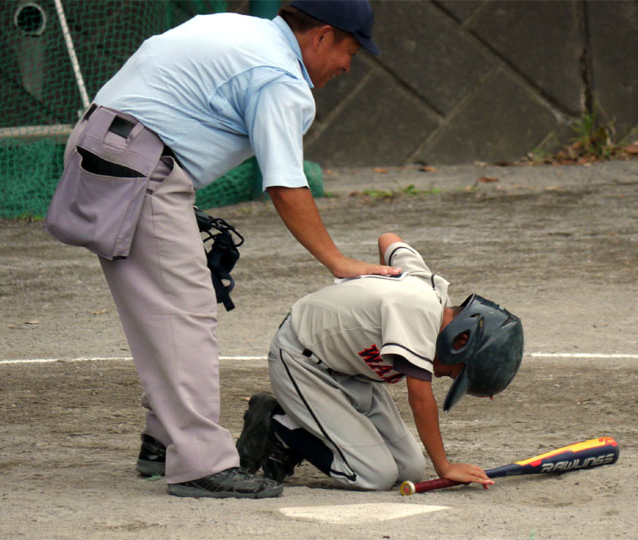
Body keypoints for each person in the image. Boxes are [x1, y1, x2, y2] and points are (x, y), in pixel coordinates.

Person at [44, 1, 399, 498]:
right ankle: (199, 465)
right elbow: (285, 184)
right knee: (183, 313)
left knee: (173, 306)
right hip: (141, 165)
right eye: (349, 50)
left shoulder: (239, 29)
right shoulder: (280, 77)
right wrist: (338, 262)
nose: (347, 66)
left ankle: (161, 441)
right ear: (320, 36)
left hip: (113, 144)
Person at [235, 233, 524, 490]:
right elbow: (421, 400)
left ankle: (310, 427)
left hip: (349, 371)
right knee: (374, 475)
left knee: (409, 469)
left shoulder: (427, 288)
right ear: (460, 341)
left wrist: (375, 291)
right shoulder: (421, 315)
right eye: (452, 373)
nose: (441, 376)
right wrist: (445, 467)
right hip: (301, 361)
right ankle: (279, 426)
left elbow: (389, 239)